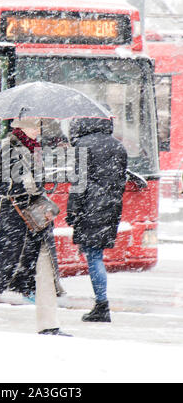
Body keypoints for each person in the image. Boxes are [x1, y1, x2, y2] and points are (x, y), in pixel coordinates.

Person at [0, 117, 71, 336]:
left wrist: (43, 180)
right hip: (13, 222)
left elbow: (35, 183)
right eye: (35, 126)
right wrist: (26, 183)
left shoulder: (36, 149)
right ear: (22, 128)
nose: (39, 130)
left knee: (45, 271)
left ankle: (49, 324)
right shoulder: (10, 147)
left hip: (36, 221)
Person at [66, 117, 127, 323]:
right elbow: (120, 180)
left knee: (93, 256)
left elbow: (78, 182)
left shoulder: (83, 146)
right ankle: (101, 304)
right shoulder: (118, 146)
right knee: (96, 254)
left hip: (89, 206)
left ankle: (102, 304)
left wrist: (73, 210)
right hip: (111, 206)